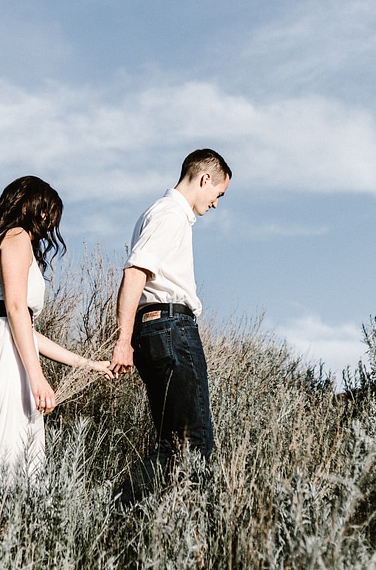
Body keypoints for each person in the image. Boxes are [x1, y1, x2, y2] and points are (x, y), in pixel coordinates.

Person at [0, 176, 113, 488]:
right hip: (1, 354)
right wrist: (37, 378)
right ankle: (3, 530)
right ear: (27, 206)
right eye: (46, 210)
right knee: (11, 457)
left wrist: (87, 364)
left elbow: (20, 327)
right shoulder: (16, 238)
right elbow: (16, 309)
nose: (50, 220)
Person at [110, 149, 232, 506]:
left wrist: (131, 336)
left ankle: (128, 514)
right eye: (218, 194)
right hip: (170, 328)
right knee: (194, 442)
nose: (215, 204)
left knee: (174, 443)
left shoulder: (157, 213)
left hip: (156, 331)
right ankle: (120, 509)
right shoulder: (170, 214)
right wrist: (122, 340)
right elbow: (135, 272)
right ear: (205, 178)